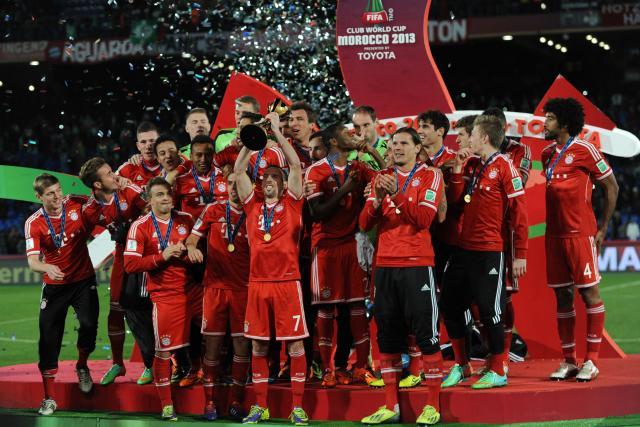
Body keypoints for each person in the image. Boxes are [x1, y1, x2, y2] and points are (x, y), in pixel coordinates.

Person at [359, 127, 445, 425]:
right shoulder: (379, 176)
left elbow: (423, 219)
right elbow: (363, 223)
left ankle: (433, 405)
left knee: (427, 336)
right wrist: (375, 198)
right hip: (385, 265)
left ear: (417, 148)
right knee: (387, 339)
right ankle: (391, 406)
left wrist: (395, 192)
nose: (396, 148)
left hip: (417, 264)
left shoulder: (430, 175)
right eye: (393, 143)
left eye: (403, 143)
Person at [440, 115, 528, 390]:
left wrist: (521, 254)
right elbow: (456, 201)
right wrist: (456, 169)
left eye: (473, 134)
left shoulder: (505, 167)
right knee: (450, 305)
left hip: (489, 250)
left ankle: (499, 369)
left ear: (485, 138)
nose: (468, 139)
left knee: (491, 311)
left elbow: (519, 213)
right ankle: (462, 365)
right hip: (464, 249)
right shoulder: (474, 165)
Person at [233, 111, 310, 425]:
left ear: (282, 183)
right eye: (264, 178)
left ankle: (297, 407)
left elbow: (294, 165)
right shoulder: (251, 205)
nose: (268, 181)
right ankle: (261, 406)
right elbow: (239, 172)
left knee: (294, 345)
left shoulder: (293, 202)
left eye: (273, 178)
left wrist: (277, 131)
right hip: (258, 283)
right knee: (259, 345)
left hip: (287, 282)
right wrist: (252, 137)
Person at [542, 98, 619, 382]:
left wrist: (603, 228)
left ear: (564, 123)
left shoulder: (585, 150)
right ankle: (569, 361)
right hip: (554, 237)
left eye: (549, 118)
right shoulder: (548, 155)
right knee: (562, 297)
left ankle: (592, 361)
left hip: (580, 235)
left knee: (589, 295)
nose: (544, 123)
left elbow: (612, 186)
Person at [304, 124, 377, 388]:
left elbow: (385, 177)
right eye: (349, 134)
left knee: (357, 307)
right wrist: (345, 190)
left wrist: (372, 153)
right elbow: (317, 212)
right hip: (325, 247)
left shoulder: (358, 167)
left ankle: (360, 367)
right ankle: (327, 369)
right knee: (326, 309)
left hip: (353, 245)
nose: (354, 137)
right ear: (334, 141)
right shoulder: (316, 170)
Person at [25, 174, 98, 416]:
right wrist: (47, 267)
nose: (57, 197)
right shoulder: (34, 223)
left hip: (83, 280)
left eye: (58, 190)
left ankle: (82, 365)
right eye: (50, 194)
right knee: (48, 340)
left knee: (88, 325)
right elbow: (33, 262)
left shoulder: (76, 203)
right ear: (39, 197)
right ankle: (48, 399)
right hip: (55, 287)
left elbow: (101, 206)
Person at [123, 177, 195, 421]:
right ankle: (166, 404)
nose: (165, 198)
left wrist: (189, 252)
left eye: (167, 193)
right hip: (165, 296)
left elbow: (199, 250)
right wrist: (162, 256)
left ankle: (209, 401)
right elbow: (130, 264)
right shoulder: (140, 226)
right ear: (149, 200)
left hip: (194, 292)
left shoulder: (186, 220)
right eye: (159, 195)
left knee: (208, 344)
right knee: (163, 350)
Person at [79, 158, 152, 386]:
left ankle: (155, 364)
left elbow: (153, 210)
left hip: (145, 251)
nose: (115, 175)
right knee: (115, 308)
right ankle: (118, 364)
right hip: (122, 255)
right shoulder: (91, 209)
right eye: (109, 173)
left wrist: (134, 229)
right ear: (97, 185)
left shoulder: (128, 189)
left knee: (147, 308)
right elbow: (81, 233)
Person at [186, 173, 251, 421]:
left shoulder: (254, 210)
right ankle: (209, 403)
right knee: (211, 347)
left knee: (241, 346)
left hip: (243, 289)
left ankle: (236, 402)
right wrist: (192, 248)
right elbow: (193, 238)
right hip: (214, 288)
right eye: (231, 183)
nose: (234, 188)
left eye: (239, 183)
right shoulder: (213, 209)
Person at [480, 107, 533, 373]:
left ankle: (504, 353)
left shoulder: (519, 152)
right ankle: (492, 353)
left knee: (504, 297)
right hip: (480, 236)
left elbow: (517, 185)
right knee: (482, 299)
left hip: (504, 235)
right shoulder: (478, 154)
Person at [173, 135, 224, 387]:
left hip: (222, 256)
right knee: (193, 314)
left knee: (219, 312)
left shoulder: (226, 180)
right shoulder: (180, 183)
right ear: (190, 156)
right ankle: (193, 367)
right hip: (191, 256)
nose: (203, 159)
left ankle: (219, 368)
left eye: (208, 154)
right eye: (198, 155)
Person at [116, 121, 162, 186]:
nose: (148, 146)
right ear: (138, 146)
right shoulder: (129, 168)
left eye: (152, 141)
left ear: (159, 142)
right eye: (143, 142)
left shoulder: (173, 163)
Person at [350, 105, 388, 170]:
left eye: (366, 125)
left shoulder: (390, 148)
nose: (361, 131)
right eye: (356, 126)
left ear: (376, 122)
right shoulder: (347, 153)